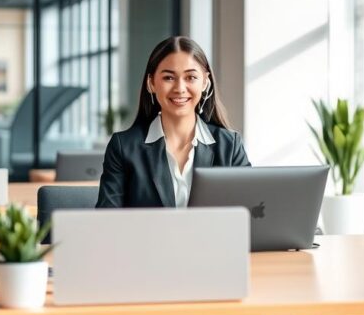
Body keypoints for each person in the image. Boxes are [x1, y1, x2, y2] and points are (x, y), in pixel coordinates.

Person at [96, 35, 250, 208]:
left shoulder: (230, 146)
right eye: (169, 78)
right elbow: (107, 217)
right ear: (151, 83)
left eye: (190, 77)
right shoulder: (123, 147)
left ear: (205, 82)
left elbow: (249, 211)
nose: (180, 88)